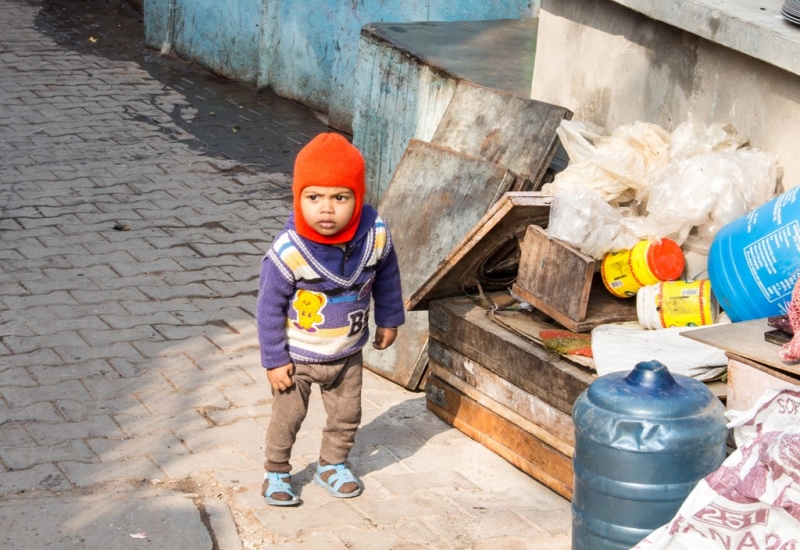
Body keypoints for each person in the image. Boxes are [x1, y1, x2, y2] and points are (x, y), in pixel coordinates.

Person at [256, 132, 405, 506]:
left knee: (347, 415)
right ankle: (276, 471)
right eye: (314, 197)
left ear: (357, 197)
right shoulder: (289, 250)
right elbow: (268, 307)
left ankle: (332, 465)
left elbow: (387, 276)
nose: (326, 209)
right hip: (297, 359)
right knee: (287, 418)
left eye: (340, 197)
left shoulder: (375, 235)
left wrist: (389, 318)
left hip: (347, 354)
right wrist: (274, 359)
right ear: (298, 197)